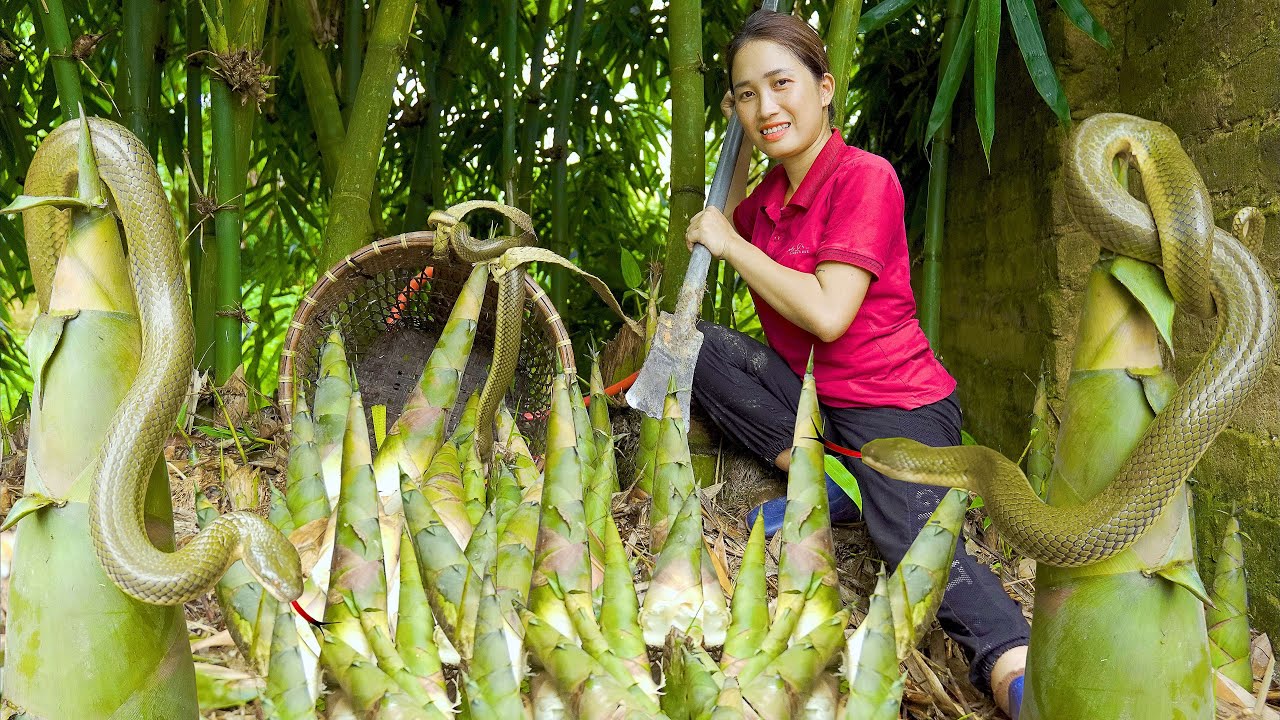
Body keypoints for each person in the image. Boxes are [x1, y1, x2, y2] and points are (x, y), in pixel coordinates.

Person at [683, 9, 1030, 717]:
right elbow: (735, 200)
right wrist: (736, 158)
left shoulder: (865, 178)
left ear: (825, 87)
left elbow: (828, 313)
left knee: (910, 533)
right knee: (699, 347)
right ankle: (834, 480)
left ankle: (1016, 666)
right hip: (815, 403)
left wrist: (730, 244)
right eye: (746, 94)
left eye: (781, 84)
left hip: (898, 404)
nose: (766, 107)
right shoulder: (768, 204)